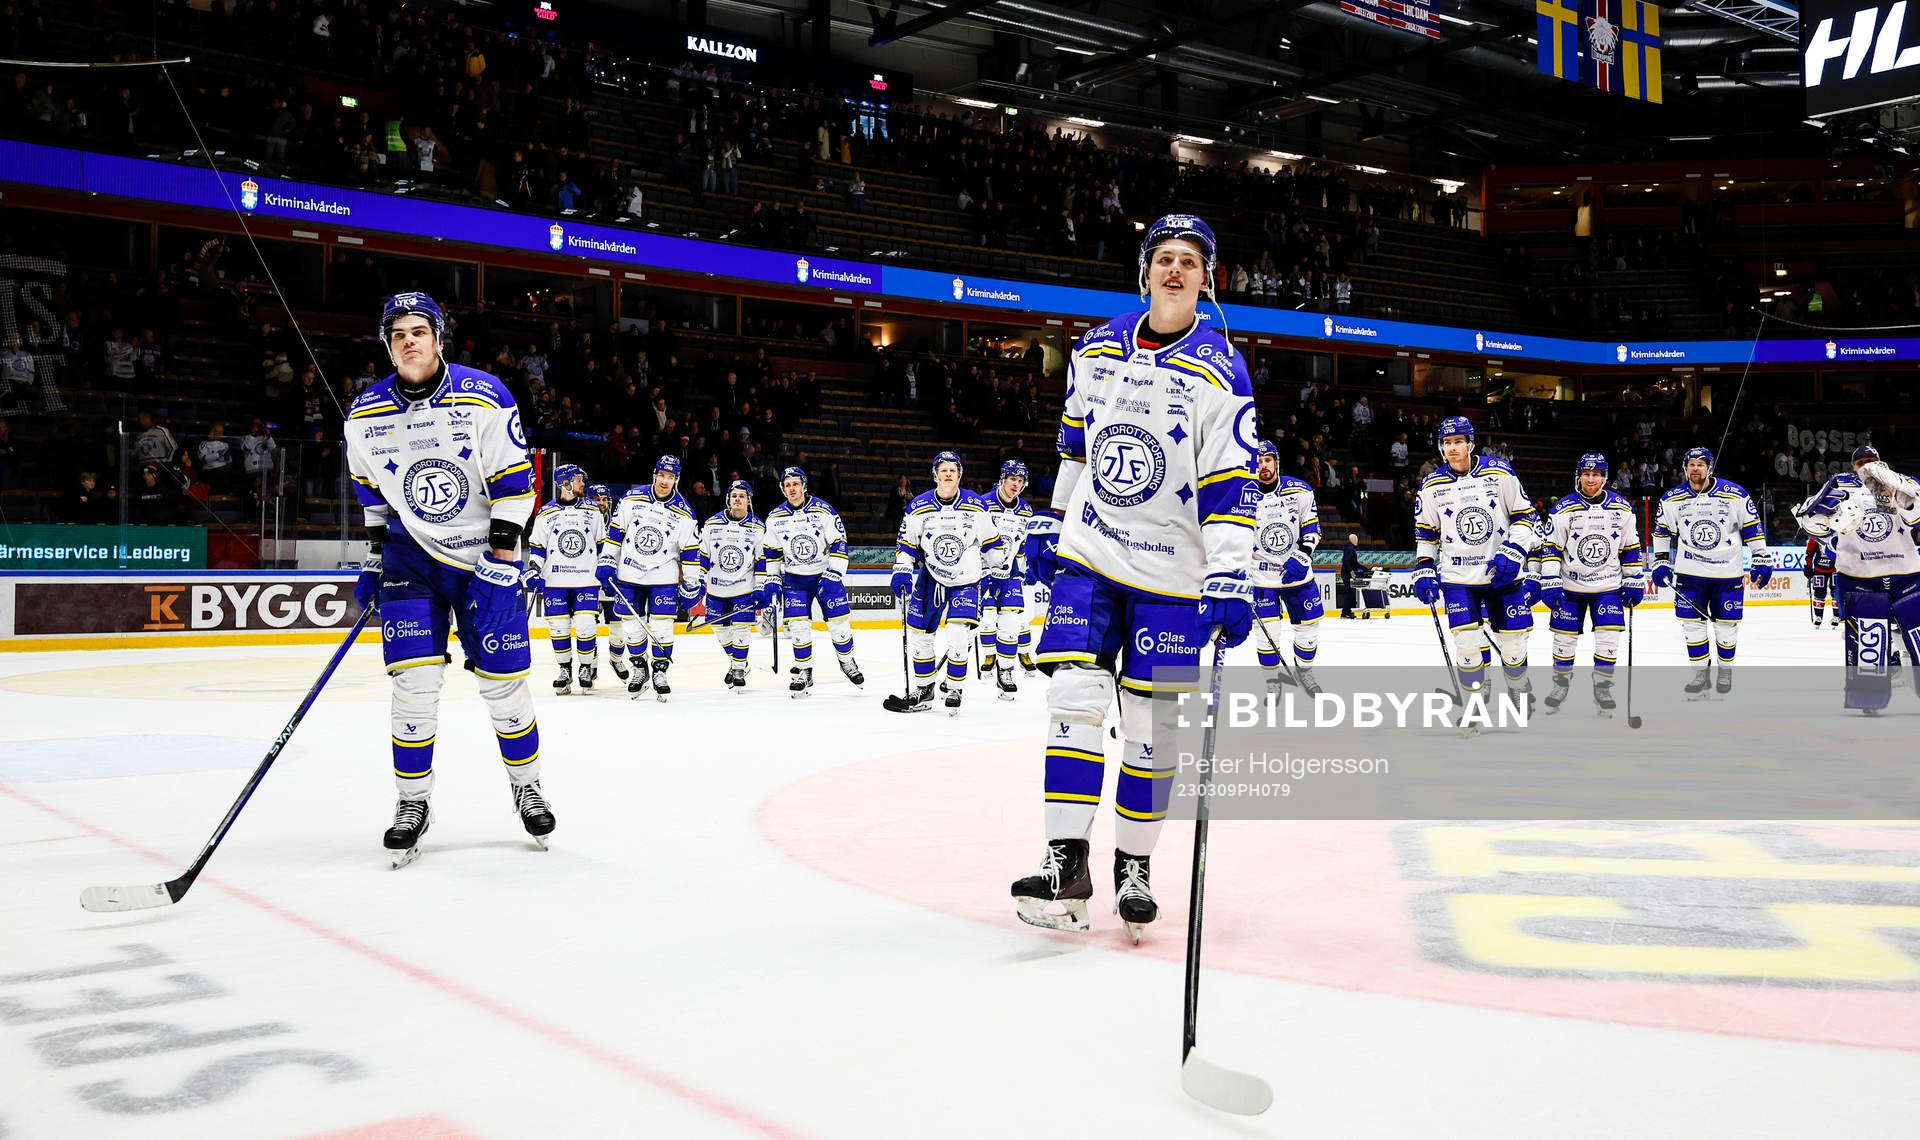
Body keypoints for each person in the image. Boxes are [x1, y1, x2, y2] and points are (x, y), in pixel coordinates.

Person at [1010, 214, 1257, 942]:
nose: (1174, 271)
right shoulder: (1094, 348)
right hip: (1091, 556)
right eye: (1163, 259)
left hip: (1174, 579)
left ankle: (1135, 869)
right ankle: (1066, 864)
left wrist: (1231, 576)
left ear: (1207, 278)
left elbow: (1228, 484)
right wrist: (1052, 522)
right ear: (1145, 271)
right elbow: (1074, 447)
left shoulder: (1222, 368)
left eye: (1189, 261)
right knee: (1074, 698)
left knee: (1152, 730)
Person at [343, 292, 551, 865]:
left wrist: (502, 563)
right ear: (388, 345)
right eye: (397, 334)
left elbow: (516, 486)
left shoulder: (484, 396)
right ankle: (412, 803)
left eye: (418, 331)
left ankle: (526, 787)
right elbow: (373, 500)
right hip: (412, 563)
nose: (408, 341)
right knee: (413, 685)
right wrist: (374, 557)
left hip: (486, 557)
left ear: (438, 337)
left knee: (502, 685)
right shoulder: (364, 415)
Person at [1412, 416, 1539, 709]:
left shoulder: (1499, 473)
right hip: (1458, 578)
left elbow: (1524, 515)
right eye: (1447, 443)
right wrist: (1424, 568)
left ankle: (1519, 686)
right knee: (1467, 645)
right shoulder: (1431, 485)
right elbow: (1426, 533)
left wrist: (1514, 551)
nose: (1453, 448)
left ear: (1470, 443)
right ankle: (1474, 705)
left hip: (1502, 573)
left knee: (1513, 645)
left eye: (1458, 442)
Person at [1793, 444, 1920, 714]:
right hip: (1860, 575)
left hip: (1905, 571)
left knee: (1915, 637)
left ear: (1880, 460)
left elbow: (1916, 513)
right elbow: (1809, 519)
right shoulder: (1838, 486)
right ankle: (1869, 698)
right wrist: (1820, 521)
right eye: (1860, 461)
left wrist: (1898, 490)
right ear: (1852, 465)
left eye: (1871, 460)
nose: (1866, 465)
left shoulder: (1899, 482)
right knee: (1868, 639)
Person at [887, 451, 1008, 715]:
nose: (948, 473)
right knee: (920, 636)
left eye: (953, 469)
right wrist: (902, 570)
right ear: (935, 475)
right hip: (931, 578)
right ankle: (925, 689)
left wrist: (995, 568)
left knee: (957, 634)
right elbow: (906, 544)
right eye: (943, 470)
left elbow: (992, 543)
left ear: (960, 474)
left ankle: (954, 687)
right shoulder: (918, 506)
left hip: (966, 580)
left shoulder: (976, 505)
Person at [1650, 447, 1771, 698]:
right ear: (1685, 469)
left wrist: (1761, 556)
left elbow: (1752, 528)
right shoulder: (1671, 498)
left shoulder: (1735, 494)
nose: (1696, 468)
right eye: (1691, 464)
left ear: (1710, 468)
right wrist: (1660, 561)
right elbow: (1662, 531)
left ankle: (1724, 671)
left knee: (1726, 627)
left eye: (1701, 464)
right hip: (1689, 574)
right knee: (1692, 626)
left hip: (1727, 574)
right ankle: (1700, 675)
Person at [1536, 454, 1643, 717]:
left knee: (1608, 639)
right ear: (1579, 476)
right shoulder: (1563, 508)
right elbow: (1551, 548)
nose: (1591, 479)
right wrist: (1549, 580)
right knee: (1564, 641)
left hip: (1607, 586)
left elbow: (1630, 548)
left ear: (1605, 477)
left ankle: (1603, 687)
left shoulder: (1622, 509)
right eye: (1586, 473)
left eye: (1596, 474)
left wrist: (1633, 580)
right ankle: (1560, 686)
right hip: (1570, 587)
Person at [600, 456, 699, 701]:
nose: (665, 481)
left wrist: (691, 583)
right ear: (654, 474)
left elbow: (690, 552)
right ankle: (639, 668)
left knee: (663, 626)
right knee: (631, 627)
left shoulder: (684, 512)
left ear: (676, 479)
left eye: (671, 477)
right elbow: (615, 534)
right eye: (662, 475)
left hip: (663, 577)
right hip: (629, 574)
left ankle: (660, 671)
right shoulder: (631, 498)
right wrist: (606, 560)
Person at [763, 466, 863, 697]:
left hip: (825, 576)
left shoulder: (823, 510)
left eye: (795, 484)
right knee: (798, 627)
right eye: (787, 485)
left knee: (839, 625)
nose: (792, 488)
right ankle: (804, 671)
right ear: (782, 488)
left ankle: (847, 662)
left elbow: (839, 542)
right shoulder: (775, 518)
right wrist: (772, 579)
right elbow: (772, 552)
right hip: (795, 579)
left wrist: (834, 573)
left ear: (804, 486)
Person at [1248, 439, 1324, 697]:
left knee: (1308, 631)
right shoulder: (1242, 493)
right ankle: (1273, 681)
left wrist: (1304, 555)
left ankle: (1305, 672)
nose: (1263, 465)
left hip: (1298, 574)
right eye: (1258, 461)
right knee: (1266, 634)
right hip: (1261, 577)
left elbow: (1312, 527)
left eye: (1267, 459)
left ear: (1276, 462)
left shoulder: (1299, 490)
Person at [528, 463, 607, 694]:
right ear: (565, 483)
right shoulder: (546, 513)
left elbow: (602, 544)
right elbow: (537, 547)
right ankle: (564, 670)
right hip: (555, 582)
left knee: (585, 625)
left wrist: (606, 566)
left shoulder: (592, 511)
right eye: (578, 479)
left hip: (586, 580)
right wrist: (534, 569)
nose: (583, 483)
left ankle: (585, 668)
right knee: (559, 628)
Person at [696, 479, 770, 690]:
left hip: (743, 588)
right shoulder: (712, 524)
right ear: (728, 498)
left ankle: (738, 667)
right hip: (716, 587)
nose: (737, 499)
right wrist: (699, 580)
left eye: (742, 496)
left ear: (748, 500)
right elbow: (703, 555)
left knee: (741, 628)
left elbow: (761, 559)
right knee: (719, 628)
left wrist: (760, 586)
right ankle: (740, 660)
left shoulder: (758, 527)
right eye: (734, 496)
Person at [977, 459, 1035, 694]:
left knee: (1011, 622)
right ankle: (990, 656)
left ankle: (1006, 670)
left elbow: (1022, 544)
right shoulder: (983, 504)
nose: (1016, 484)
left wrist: (1024, 567)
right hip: (983, 572)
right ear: (1002, 479)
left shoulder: (1026, 510)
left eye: (1020, 481)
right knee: (988, 619)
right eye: (1012, 479)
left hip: (1009, 572)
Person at [585, 483, 633, 682]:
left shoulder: (617, 522)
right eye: (597, 499)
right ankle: (591, 663)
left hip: (613, 581)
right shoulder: (582, 520)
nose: (601, 503)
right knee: (588, 625)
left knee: (617, 625)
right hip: (588, 582)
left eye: (604, 500)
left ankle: (616, 659)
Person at [1804, 533, 1839, 628]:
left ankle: (1836, 616)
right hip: (1819, 569)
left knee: (1836, 592)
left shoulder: (1837, 533)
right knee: (1819, 593)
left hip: (1835, 568)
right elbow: (1809, 552)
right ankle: (1818, 616)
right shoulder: (1816, 534)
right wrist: (1807, 566)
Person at [1338, 531, 1363, 618]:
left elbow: (1355, 563)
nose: (1357, 540)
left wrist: (1365, 568)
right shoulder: (1349, 548)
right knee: (1349, 592)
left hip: (1348, 573)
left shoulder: (1351, 548)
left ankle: (1347, 611)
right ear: (1352, 540)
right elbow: (1346, 561)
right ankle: (1345, 612)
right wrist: (1351, 571)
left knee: (1351, 592)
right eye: (1355, 539)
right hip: (1347, 573)